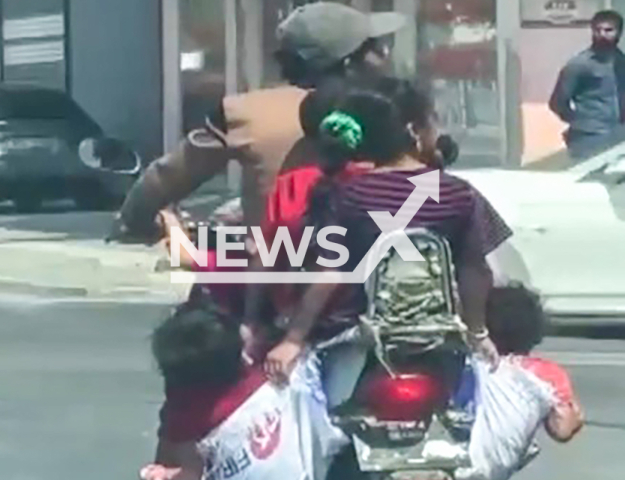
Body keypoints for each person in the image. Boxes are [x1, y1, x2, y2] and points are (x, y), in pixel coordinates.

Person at [246, 80, 513, 407]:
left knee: (319, 423)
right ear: (415, 131)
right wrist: (478, 334)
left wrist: (293, 339)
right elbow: (475, 272)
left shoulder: (347, 194)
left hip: (356, 338)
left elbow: (329, 273)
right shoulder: (458, 192)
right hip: (437, 339)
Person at [109, 2, 407, 244]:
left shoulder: (246, 113)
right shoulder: (394, 109)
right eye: (374, 47)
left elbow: (164, 179)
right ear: (346, 62)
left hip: (275, 277)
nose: (384, 53)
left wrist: (136, 222)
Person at [140, 303, 346, 480]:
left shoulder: (184, 411)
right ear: (242, 354)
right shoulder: (277, 369)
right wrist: (294, 339)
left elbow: (173, 463)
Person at [455, 283, 584, 480]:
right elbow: (562, 430)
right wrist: (576, 420)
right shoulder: (546, 374)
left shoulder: (460, 361)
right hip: (491, 470)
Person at [549, 10, 625, 160]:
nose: (602, 34)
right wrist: (581, 122)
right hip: (588, 138)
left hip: (618, 136)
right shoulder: (580, 64)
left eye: (608, 30)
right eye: (597, 30)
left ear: (619, 32)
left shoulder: (621, 62)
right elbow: (557, 102)